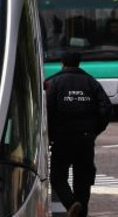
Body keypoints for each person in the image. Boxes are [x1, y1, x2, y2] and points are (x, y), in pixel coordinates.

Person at [47, 51, 112, 217]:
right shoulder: (91, 82)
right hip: (85, 139)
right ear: (79, 63)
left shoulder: (53, 83)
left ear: (62, 63)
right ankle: (80, 211)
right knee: (83, 180)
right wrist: (93, 130)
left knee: (57, 176)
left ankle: (71, 203)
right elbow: (106, 109)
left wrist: (51, 134)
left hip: (62, 139)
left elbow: (47, 112)